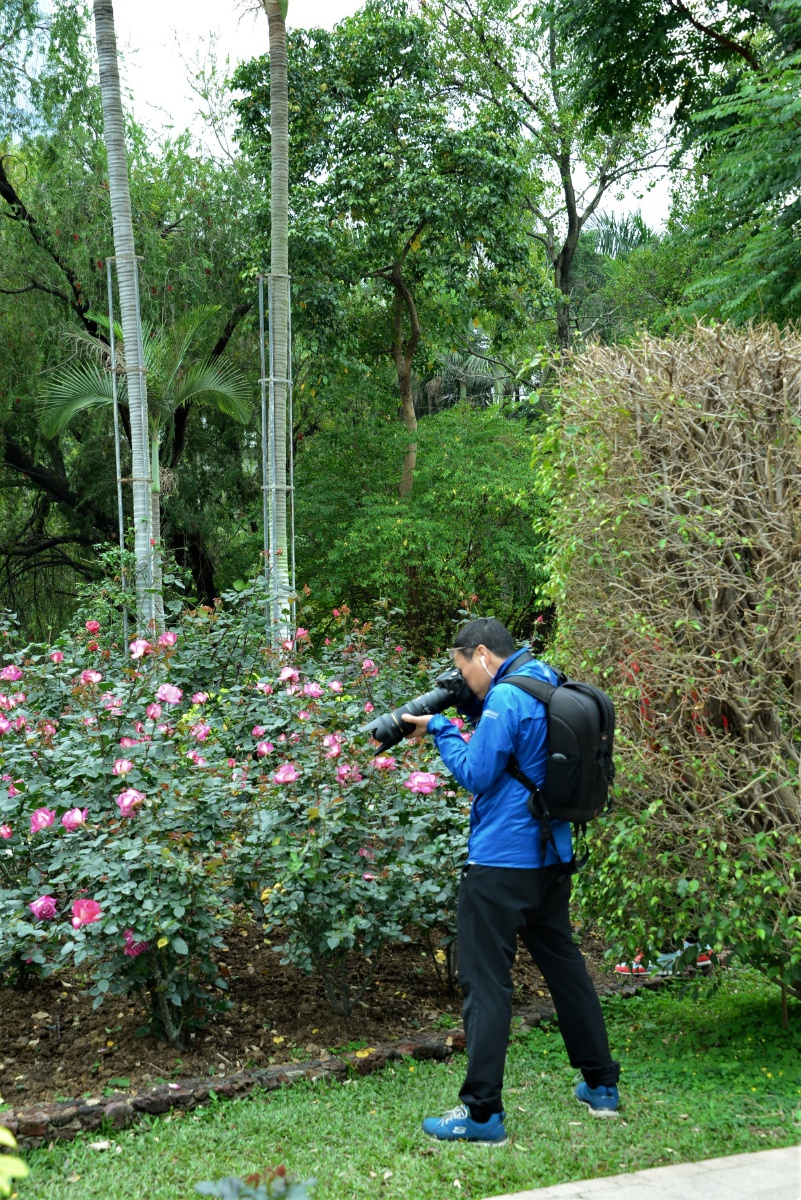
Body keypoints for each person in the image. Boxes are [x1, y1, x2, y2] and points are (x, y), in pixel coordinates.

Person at [401, 617, 620, 1145]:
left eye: (461, 669)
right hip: (550, 861)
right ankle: (601, 1087)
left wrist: (442, 728)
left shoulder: (504, 701)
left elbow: (477, 773)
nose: (464, 680)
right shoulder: (548, 679)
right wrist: (467, 707)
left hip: (500, 866)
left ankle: (482, 1115)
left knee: (486, 984)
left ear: (480, 654)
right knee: (567, 971)